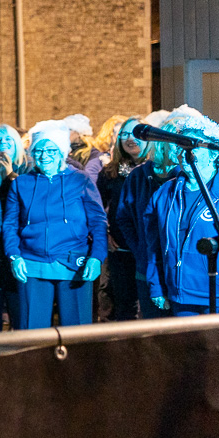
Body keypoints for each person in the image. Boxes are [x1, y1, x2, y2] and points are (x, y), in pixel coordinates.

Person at [145, 116, 219, 315]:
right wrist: (157, 285)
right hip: (178, 296)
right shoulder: (164, 194)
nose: (184, 153)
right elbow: (154, 246)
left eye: (192, 147)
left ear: (214, 154)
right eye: (179, 148)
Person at [3, 121, 107, 329]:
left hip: (73, 263)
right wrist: (13, 256)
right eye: (38, 150)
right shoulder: (20, 183)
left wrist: (96, 258)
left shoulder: (81, 180)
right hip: (32, 265)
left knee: (76, 334)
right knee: (33, 335)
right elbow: (10, 224)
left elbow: (98, 222)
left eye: (51, 149)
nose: (44, 155)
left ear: (61, 151)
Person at [115, 112, 181, 319]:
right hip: (147, 267)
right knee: (155, 329)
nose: (166, 147)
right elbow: (124, 217)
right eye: (161, 142)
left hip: (180, 269)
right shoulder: (138, 176)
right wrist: (139, 248)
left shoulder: (185, 175)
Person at [95, 117, 147, 321]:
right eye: (124, 134)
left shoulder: (156, 172)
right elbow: (96, 208)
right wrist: (105, 233)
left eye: (136, 133)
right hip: (121, 250)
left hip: (148, 249)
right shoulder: (109, 172)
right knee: (124, 307)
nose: (130, 138)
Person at [0, 124, 29, 331]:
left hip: (19, 244)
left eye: (8, 140)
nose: (3, 144)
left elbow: (28, 201)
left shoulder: (28, 169)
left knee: (19, 305)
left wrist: (11, 174)